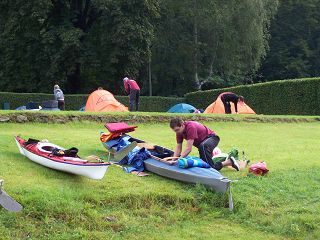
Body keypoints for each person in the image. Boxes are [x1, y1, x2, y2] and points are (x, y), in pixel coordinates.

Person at [170, 118, 240, 171]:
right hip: (203, 145)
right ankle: (229, 161)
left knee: (209, 167)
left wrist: (179, 160)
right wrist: (174, 160)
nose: (176, 132)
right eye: (175, 131)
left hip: (212, 138)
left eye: (177, 130)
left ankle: (229, 162)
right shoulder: (179, 132)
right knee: (205, 165)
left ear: (182, 125)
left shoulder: (191, 127)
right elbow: (178, 148)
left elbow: (188, 149)